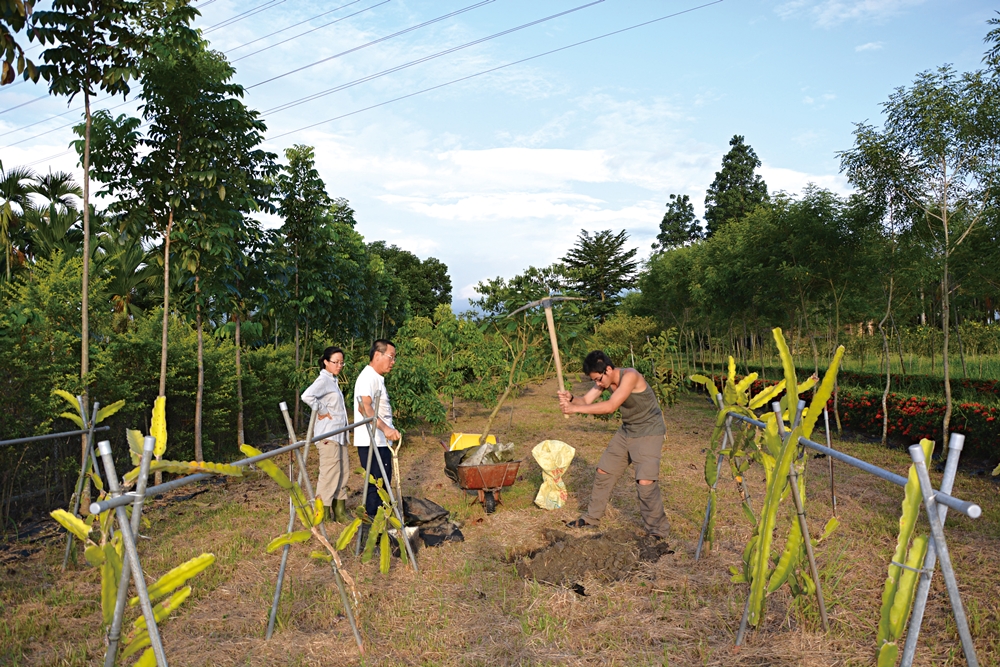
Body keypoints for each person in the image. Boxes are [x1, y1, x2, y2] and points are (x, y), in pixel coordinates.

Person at [557, 350, 671, 539]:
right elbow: (585, 400)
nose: (598, 384)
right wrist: (570, 399)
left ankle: (658, 531)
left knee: (645, 481)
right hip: (628, 429)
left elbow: (610, 407)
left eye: (598, 379)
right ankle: (592, 518)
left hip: (649, 431)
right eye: (594, 380)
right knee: (604, 471)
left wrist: (575, 409)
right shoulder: (605, 380)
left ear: (608, 369)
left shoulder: (631, 376)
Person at [301, 346, 351, 523]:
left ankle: (340, 511)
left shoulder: (333, 381)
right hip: (328, 435)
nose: (339, 365)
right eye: (335, 362)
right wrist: (321, 410)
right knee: (329, 474)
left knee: (343, 472)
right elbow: (306, 396)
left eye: (341, 362)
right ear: (325, 362)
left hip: (339, 434)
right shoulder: (323, 381)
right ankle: (323, 514)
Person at [353, 339, 401, 519]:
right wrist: (385, 428)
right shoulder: (367, 377)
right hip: (372, 441)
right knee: (376, 486)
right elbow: (364, 407)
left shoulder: (376, 378)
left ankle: (382, 522)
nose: (393, 362)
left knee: (382, 484)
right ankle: (374, 528)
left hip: (380, 441)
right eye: (391, 357)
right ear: (377, 355)